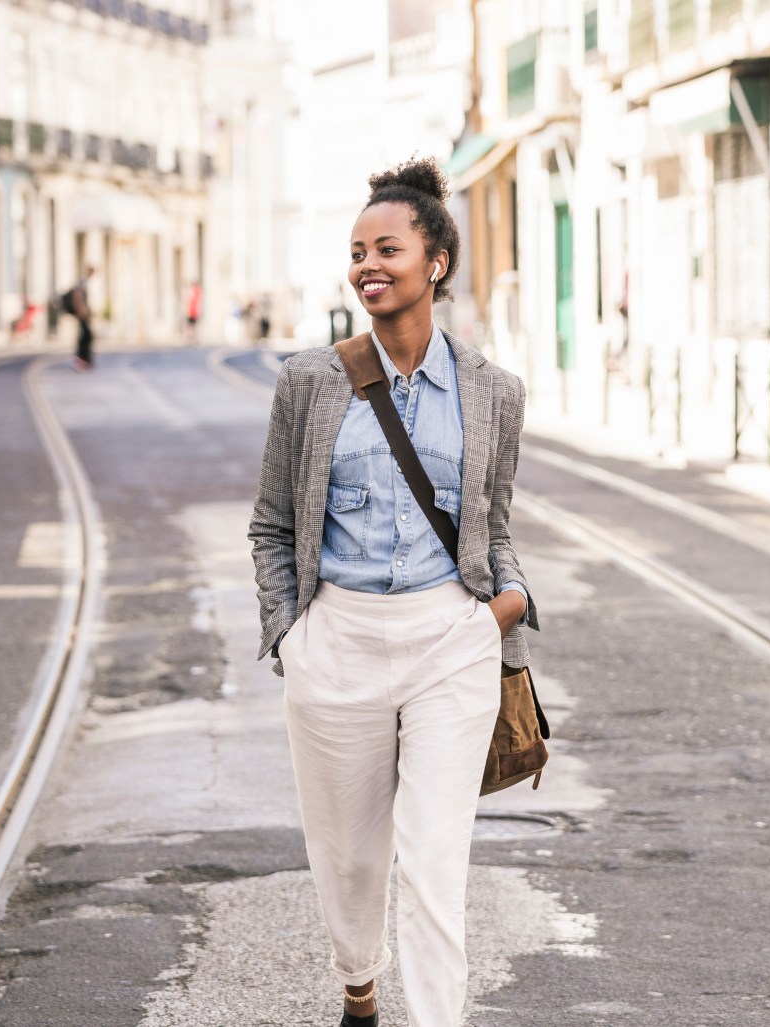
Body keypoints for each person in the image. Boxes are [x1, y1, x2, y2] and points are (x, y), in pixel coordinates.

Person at [247, 157, 538, 1027]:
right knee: (350, 858)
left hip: (449, 640)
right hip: (336, 638)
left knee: (435, 857)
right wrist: (290, 635)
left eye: (387, 248)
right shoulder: (310, 381)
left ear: (435, 262)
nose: (368, 265)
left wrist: (508, 600)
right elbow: (270, 524)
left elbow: (496, 522)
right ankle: (358, 982)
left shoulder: (494, 392)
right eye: (357, 251)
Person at [70, 267, 95, 370]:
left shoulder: (83, 281)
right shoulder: (82, 281)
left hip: (83, 314)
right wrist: (82, 311)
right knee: (86, 336)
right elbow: (77, 296)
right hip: (82, 315)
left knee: (86, 337)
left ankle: (84, 360)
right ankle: (81, 359)